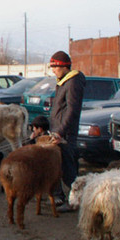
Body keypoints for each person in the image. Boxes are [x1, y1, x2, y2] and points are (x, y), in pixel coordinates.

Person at [47, 51, 85, 212]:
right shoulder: (63, 81)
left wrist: (61, 132)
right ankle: (59, 197)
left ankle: (77, 200)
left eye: (54, 67)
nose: (53, 70)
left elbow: (72, 111)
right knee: (57, 166)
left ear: (63, 66)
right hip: (58, 131)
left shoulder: (73, 82)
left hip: (65, 134)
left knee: (69, 169)